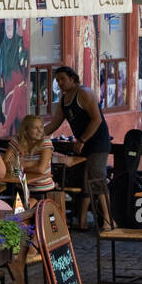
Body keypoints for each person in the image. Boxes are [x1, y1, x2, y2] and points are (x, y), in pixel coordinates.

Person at [45, 65, 112, 231]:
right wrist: (35, 134)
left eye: (63, 79)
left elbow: (96, 120)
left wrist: (82, 139)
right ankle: (82, 221)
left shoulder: (84, 93)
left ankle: (109, 221)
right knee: (85, 180)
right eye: (57, 80)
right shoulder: (64, 100)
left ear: (72, 79)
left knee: (97, 178)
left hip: (97, 142)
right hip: (83, 144)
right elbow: (54, 124)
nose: (59, 82)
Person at [6, 114, 56, 198]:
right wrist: (33, 163)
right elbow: (6, 164)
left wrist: (23, 165)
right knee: (10, 199)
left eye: (41, 127)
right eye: (35, 128)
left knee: (17, 205)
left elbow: (41, 169)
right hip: (21, 187)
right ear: (26, 130)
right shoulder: (16, 141)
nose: (40, 131)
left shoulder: (46, 141)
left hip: (42, 189)